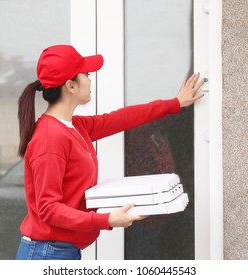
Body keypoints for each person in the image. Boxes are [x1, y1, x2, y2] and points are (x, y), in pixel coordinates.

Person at [15, 45, 204, 260]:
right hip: (47, 254)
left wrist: (174, 103)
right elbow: (48, 209)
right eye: (85, 74)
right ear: (71, 86)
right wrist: (106, 219)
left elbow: (122, 118)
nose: (90, 78)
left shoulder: (74, 126)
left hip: (59, 251)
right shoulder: (50, 137)